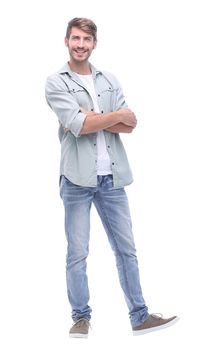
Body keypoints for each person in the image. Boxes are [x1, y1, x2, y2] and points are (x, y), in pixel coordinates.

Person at [45, 17, 179, 338]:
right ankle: (80, 318)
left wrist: (92, 118)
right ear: (67, 41)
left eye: (86, 40)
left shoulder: (109, 79)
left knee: (127, 250)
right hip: (76, 179)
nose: (80, 44)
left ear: (94, 44)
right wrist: (102, 118)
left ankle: (139, 316)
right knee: (77, 253)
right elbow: (78, 125)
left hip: (113, 179)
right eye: (75, 38)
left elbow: (129, 124)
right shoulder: (56, 81)